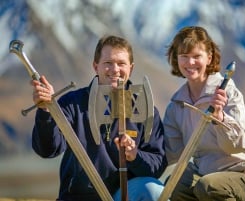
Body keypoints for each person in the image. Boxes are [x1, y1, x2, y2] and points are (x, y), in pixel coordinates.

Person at [30, 35, 168, 201]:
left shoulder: (145, 109)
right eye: (108, 63)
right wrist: (46, 111)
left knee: (154, 191)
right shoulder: (73, 103)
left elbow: (158, 165)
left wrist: (135, 156)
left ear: (130, 68)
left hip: (124, 195)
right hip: (79, 197)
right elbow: (48, 150)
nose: (115, 69)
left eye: (121, 63)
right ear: (96, 66)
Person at [163, 26, 245, 201]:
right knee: (174, 184)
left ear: (209, 57)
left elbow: (238, 145)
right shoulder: (177, 106)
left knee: (208, 187)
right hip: (204, 174)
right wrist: (134, 151)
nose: (190, 62)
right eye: (184, 56)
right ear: (176, 58)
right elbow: (169, 154)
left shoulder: (228, 93)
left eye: (197, 56)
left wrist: (220, 119)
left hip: (243, 176)